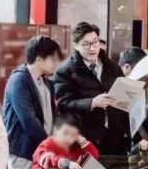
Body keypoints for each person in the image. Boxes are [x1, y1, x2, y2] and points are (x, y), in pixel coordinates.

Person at [53, 22, 130, 155]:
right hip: (86, 139)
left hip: (116, 138)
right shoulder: (65, 70)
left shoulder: (112, 67)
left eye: (95, 42)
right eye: (86, 44)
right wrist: (92, 102)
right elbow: (63, 104)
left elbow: (125, 104)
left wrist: (134, 135)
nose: (92, 48)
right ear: (76, 45)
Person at [2, 36, 62, 169]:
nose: (55, 63)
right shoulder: (19, 80)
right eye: (52, 59)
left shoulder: (46, 82)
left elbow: (52, 116)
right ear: (39, 59)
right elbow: (28, 120)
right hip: (24, 150)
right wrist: (48, 146)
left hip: (43, 150)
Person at [19, 115, 99, 169]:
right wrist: (67, 163)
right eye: (65, 133)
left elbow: (93, 156)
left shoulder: (75, 148)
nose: (68, 138)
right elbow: (48, 159)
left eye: (73, 135)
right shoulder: (47, 144)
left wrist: (81, 140)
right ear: (56, 131)